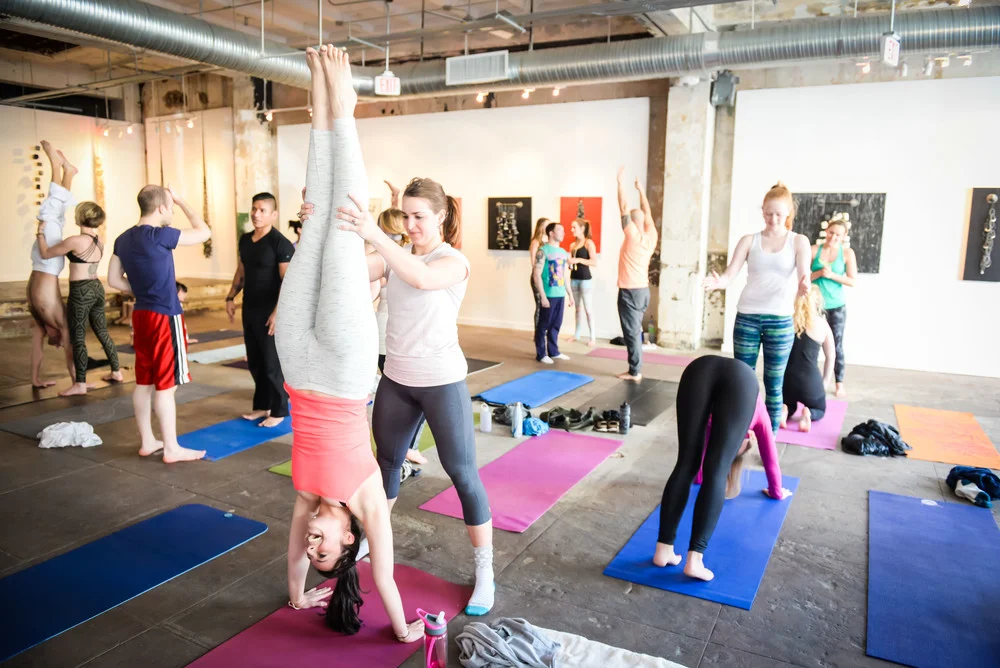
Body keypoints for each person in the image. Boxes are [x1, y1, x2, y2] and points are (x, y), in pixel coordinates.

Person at [274, 45, 422, 643]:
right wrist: (406, 630)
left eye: (312, 548)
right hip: (342, 369)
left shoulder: (307, 496)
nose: (312, 540)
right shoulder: (368, 500)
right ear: (348, 541)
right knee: (342, 220)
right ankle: (345, 103)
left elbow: (290, 560)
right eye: (324, 549)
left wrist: (296, 593)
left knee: (311, 217)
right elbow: (383, 576)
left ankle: (318, 96)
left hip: (296, 361)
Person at [334, 170, 495, 616]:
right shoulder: (394, 254)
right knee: (386, 463)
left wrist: (375, 234)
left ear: (441, 216)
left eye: (419, 216)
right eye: (405, 216)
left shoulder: (453, 261)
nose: (410, 226)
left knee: (462, 474)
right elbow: (349, 268)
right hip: (398, 381)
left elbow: (421, 278)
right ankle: (371, 542)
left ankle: (485, 570)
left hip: (442, 381)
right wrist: (326, 222)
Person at [653, 355, 792, 581]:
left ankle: (663, 550)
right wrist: (777, 491)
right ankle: (694, 561)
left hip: (699, 367)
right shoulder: (758, 417)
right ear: (745, 442)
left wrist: (777, 490)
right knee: (716, 470)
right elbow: (771, 458)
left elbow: (695, 471)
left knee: (685, 463)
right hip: (741, 380)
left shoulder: (720, 425)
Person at [107, 184, 211, 464]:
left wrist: (143, 290)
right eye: (171, 206)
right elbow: (204, 232)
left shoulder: (123, 239)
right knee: (166, 386)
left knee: (144, 381)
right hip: (165, 315)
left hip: (140, 315)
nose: (173, 210)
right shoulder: (161, 235)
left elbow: (114, 281)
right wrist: (182, 198)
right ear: (161, 208)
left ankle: (148, 442)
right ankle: (171, 449)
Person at [703, 182, 811, 431]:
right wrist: (720, 281)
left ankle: (770, 438)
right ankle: (740, 433)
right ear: (762, 211)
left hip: (780, 320)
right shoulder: (749, 240)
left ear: (788, 215)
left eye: (779, 214)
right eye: (768, 213)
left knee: (774, 383)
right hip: (747, 317)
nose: (773, 219)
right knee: (743, 381)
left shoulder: (798, 241)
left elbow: (803, 277)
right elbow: (730, 275)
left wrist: (804, 287)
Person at [35, 192, 123, 396]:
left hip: (81, 291)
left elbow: (46, 253)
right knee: (102, 332)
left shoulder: (75, 240)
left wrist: (40, 234)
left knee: (78, 336)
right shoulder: (99, 239)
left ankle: (80, 384)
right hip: (97, 289)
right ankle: (116, 372)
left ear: (80, 217)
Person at [226, 192, 294, 428]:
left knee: (271, 362)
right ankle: (262, 406)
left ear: (273, 214)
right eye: (254, 209)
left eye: (262, 210)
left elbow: (288, 282)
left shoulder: (280, 243)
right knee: (255, 360)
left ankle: (279, 409)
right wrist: (230, 296)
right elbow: (241, 271)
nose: (256, 214)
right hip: (250, 308)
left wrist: (278, 312)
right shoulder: (245, 240)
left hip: (271, 310)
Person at [372, 189, 428, 468]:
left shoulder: (404, 258)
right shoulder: (382, 260)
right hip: (387, 342)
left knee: (414, 402)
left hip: (399, 340)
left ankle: (404, 448)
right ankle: (403, 448)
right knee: (412, 402)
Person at [28, 140, 76, 390]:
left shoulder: (42, 321)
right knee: (51, 213)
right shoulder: (61, 322)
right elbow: (71, 351)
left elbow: (37, 349)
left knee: (55, 214)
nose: (55, 343)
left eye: (54, 343)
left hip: (40, 260)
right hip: (48, 261)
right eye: (57, 342)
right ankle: (57, 167)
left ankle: (66, 171)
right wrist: (79, 382)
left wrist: (35, 379)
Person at [615, 167, 658, 382]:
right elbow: (647, 214)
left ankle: (635, 371)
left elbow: (623, 206)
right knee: (635, 332)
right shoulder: (651, 236)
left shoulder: (631, 235)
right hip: (642, 291)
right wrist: (641, 190)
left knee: (631, 333)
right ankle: (635, 368)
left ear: (631, 222)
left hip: (630, 291)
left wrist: (620, 184)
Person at [810, 216, 856, 399]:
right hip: (814, 306)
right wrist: (819, 273)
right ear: (826, 231)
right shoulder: (814, 250)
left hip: (837, 306)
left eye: (838, 235)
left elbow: (852, 280)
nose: (833, 237)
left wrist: (832, 276)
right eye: (831, 233)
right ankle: (812, 381)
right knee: (810, 344)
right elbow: (803, 276)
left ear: (844, 236)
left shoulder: (847, 253)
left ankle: (838, 383)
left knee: (836, 345)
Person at [780, 286, 836, 433]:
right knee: (819, 408)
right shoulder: (822, 324)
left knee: (788, 402)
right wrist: (824, 382)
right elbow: (831, 356)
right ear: (817, 303)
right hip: (810, 382)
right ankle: (809, 413)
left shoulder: (788, 320)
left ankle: (785, 410)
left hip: (787, 380)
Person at [533, 221, 574, 364]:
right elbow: (536, 274)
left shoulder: (563, 253)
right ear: (551, 233)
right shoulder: (543, 251)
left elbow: (565, 275)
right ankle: (541, 354)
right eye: (560, 230)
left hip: (560, 294)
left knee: (556, 324)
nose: (563, 233)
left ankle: (554, 351)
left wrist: (570, 294)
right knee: (543, 325)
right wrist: (542, 296)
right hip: (548, 294)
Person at [568, 218, 598, 346]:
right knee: (577, 309)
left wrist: (579, 260)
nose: (572, 230)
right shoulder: (572, 245)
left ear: (582, 228)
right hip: (574, 279)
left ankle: (592, 336)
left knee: (588, 309)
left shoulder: (588, 243)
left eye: (574, 227)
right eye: (571, 227)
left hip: (585, 280)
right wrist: (569, 264)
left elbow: (594, 262)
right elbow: (570, 261)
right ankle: (577, 334)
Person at [528, 219, 549, 329]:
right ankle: (538, 332)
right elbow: (533, 261)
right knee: (540, 304)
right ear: (541, 227)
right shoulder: (536, 242)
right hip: (538, 277)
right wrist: (539, 274)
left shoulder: (548, 242)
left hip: (546, 277)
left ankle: (543, 330)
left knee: (546, 305)